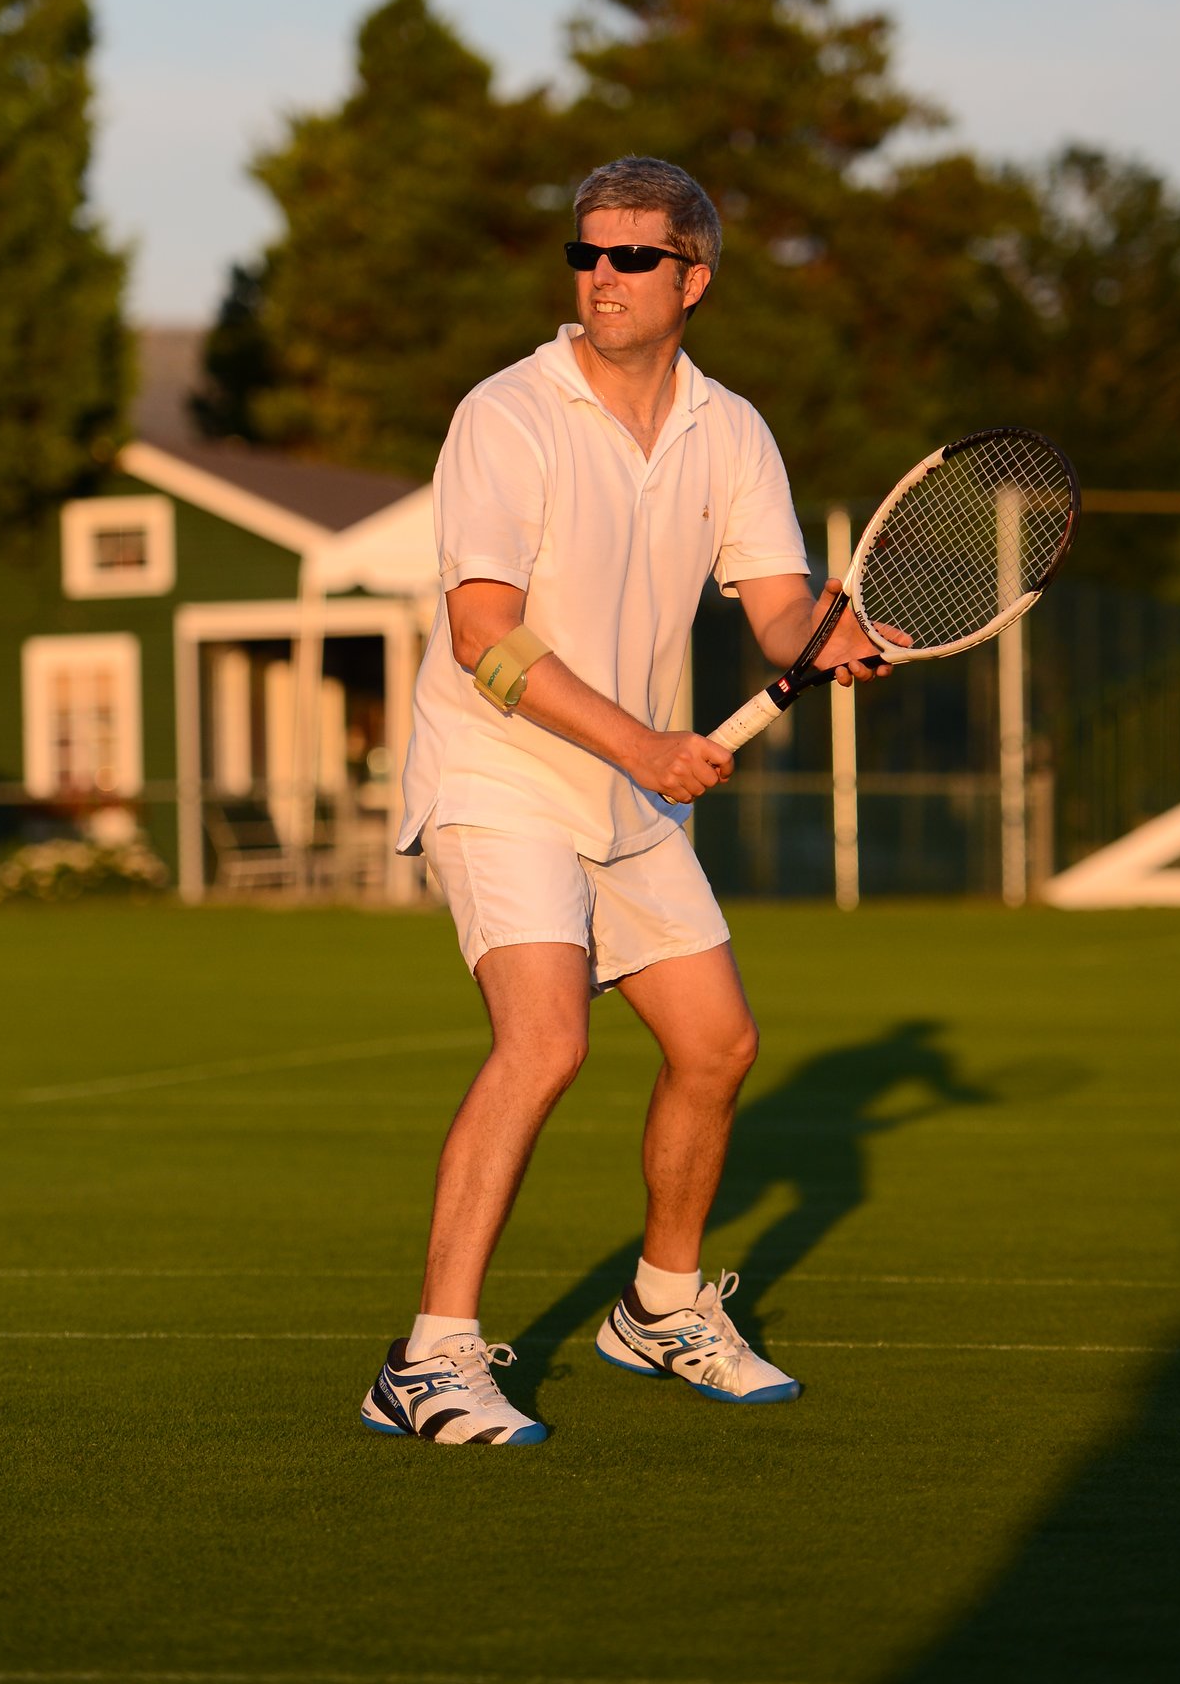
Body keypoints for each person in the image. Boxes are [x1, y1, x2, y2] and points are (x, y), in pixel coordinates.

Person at [360, 156, 891, 1447]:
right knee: (546, 1040)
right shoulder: (509, 414)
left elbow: (775, 599)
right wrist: (646, 744)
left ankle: (660, 1308)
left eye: (633, 258)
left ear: (693, 279)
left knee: (718, 1047)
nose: (601, 276)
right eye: (585, 255)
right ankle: (428, 1358)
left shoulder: (732, 429)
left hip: (632, 794)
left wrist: (823, 633)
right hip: (502, 771)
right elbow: (485, 631)